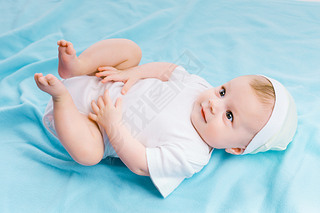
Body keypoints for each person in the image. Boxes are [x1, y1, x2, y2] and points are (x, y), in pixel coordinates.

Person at [34, 39, 298, 198]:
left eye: (229, 115)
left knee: (89, 153)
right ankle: (77, 67)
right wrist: (134, 73)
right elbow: (168, 71)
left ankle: (61, 99)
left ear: (237, 148)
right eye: (223, 91)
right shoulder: (198, 86)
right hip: (106, 76)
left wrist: (111, 125)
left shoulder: (191, 154)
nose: (214, 104)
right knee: (131, 50)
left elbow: (141, 163)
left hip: (90, 122)